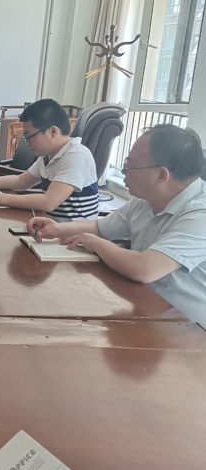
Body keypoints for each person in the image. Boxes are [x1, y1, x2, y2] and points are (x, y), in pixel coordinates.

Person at [28, 125, 206, 326]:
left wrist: (95, 243)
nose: (123, 171)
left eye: (130, 166)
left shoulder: (200, 216)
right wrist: (58, 229)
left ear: (161, 175)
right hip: (143, 304)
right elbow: (100, 228)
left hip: (188, 329)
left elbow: (145, 268)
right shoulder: (147, 200)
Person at [0, 99, 99, 221]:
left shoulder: (76, 155)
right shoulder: (48, 156)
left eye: (29, 136)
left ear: (53, 131)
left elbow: (48, 202)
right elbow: (20, 181)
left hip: (74, 235)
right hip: (50, 225)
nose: (27, 143)